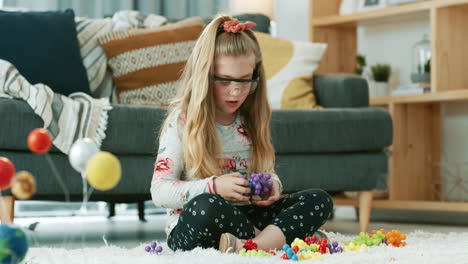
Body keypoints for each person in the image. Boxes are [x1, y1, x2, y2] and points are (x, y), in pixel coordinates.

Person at [150, 14, 333, 253]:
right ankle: (278, 240)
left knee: (319, 200)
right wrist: (214, 186)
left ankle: (253, 245)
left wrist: (271, 186)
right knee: (207, 206)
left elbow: (266, 171)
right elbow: (159, 191)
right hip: (200, 222)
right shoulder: (183, 121)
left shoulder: (251, 120)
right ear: (204, 76)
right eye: (224, 81)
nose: (235, 92)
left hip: (250, 217)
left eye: (245, 81)